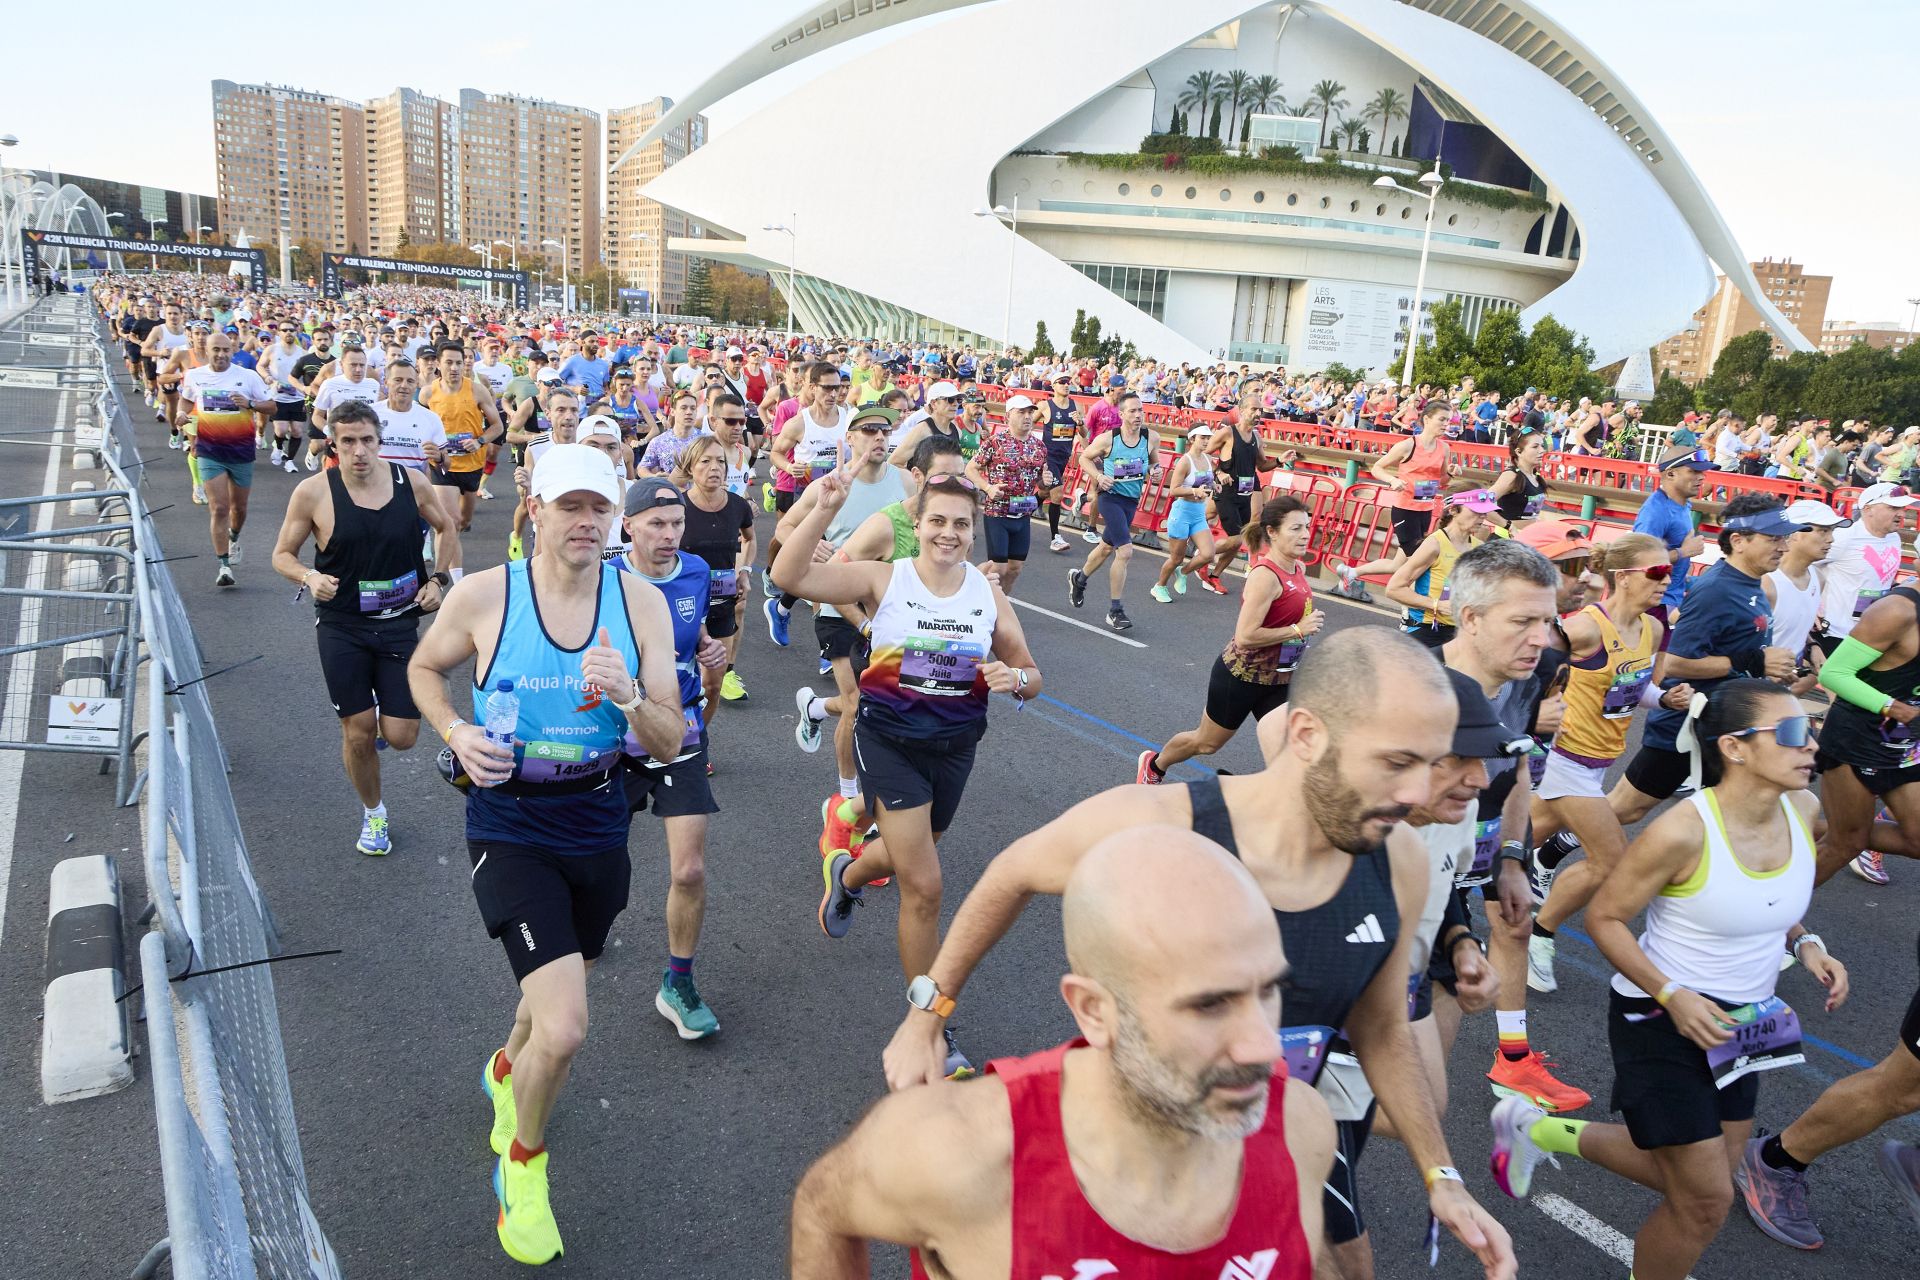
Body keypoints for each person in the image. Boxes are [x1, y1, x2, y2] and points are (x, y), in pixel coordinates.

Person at [880, 628, 1517, 1278]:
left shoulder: (1399, 863)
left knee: (1351, 1267)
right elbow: (1011, 872)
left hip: (1282, 1140)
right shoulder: (1164, 825)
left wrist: (1440, 1175)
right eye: (1395, 762)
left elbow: (1380, 1027)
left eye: (1429, 764)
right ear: (1306, 736)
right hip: (1139, 1158)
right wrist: (925, 1016)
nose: (1416, 793)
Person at [789, 826, 1332, 1279]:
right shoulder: (960, 1152)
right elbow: (822, 1211)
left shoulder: (1302, 1128)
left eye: (1268, 992)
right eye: (1211, 1005)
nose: (1264, 1045)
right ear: (1094, 1011)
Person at [407, 443, 684, 1265]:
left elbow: (669, 741)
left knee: (560, 979)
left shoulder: (640, 606)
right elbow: (424, 668)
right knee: (563, 1028)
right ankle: (523, 1168)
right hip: (509, 821)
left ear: (616, 520)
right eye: (571, 506)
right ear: (535, 509)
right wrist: (456, 730)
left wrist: (632, 695)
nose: (586, 522)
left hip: (600, 817)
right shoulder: (487, 594)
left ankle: (505, 1064)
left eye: (600, 508)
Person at [1491, 680, 1845, 1280]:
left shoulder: (1805, 812)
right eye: (1789, 733)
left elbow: (1765, 899)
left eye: (1810, 729)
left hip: (1744, 1025)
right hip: (1659, 1017)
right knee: (1705, 1200)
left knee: (1691, 1173)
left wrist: (1805, 942)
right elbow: (1606, 918)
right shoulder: (1683, 831)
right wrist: (1671, 995)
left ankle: (1533, 1128)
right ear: (1734, 747)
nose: (1809, 743)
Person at [774, 467, 1041, 1076]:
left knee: (899, 858)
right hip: (889, 742)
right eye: (938, 521)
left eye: (961, 524)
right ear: (915, 525)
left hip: (955, 747)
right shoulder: (884, 577)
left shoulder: (986, 593)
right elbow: (789, 576)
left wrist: (1015, 680)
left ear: (974, 533)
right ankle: (930, 1029)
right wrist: (821, 505)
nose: (948, 534)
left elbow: (1030, 672)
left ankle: (845, 873)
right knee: (926, 887)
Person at [270, 401, 459, 853]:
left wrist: (439, 579)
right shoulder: (313, 492)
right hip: (343, 625)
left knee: (402, 736)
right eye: (348, 441)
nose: (359, 451)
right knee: (357, 730)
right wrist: (309, 576)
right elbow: (281, 555)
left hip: (398, 624)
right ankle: (374, 813)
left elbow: (446, 528)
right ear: (333, 443)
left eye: (367, 440)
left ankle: (376, 722)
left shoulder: (410, 482)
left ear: (380, 441)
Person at [1526, 534, 1692, 1002]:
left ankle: (1439, 889)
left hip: (1599, 760)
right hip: (1562, 759)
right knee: (1609, 859)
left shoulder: (1652, 630)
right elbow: (1524, 668)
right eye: (1656, 572)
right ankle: (1539, 935)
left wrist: (1664, 698)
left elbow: (1632, 687)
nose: (1666, 580)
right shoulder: (1582, 628)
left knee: (1505, 839)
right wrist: (1533, 714)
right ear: (1622, 577)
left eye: (1669, 571)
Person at [611, 479, 731, 1041]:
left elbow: (694, 636)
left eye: (676, 523)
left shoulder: (696, 572)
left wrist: (710, 649)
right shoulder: (605, 578)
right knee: (600, 868)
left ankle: (677, 982)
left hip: (678, 729)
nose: (669, 535)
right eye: (656, 523)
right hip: (612, 736)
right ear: (628, 525)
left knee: (690, 868)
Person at [1136, 498, 1320, 782]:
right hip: (1242, 676)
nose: (1305, 534)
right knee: (1206, 743)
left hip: (1279, 679)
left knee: (1289, 749)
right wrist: (1298, 630)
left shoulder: (1298, 568)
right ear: (1272, 532)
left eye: (1307, 527)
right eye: (1295, 528)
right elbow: (1246, 636)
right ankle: (1155, 765)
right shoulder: (1265, 577)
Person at [785, 409, 909, 825]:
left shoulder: (905, 481)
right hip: (836, 602)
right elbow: (785, 529)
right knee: (857, 704)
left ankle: (817, 709)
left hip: (886, 606)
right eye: (870, 430)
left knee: (881, 704)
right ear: (850, 438)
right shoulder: (833, 483)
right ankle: (847, 800)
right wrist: (815, 544)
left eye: (885, 430)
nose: (878, 437)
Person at [1333, 400, 1458, 602]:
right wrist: (1393, 480)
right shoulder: (1408, 445)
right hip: (1404, 510)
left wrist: (1451, 474)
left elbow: (1441, 482)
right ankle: (1409, 606)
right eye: (1442, 419)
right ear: (1426, 419)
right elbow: (1377, 468)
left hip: (1425, 510)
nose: (1446, 425)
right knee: (1418, 561)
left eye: (1449, 421)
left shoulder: (1444, 448)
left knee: (1397, 564)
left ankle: (1351, 573)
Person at [179, 330, 276, 587]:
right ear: (206, 351)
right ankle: (224, 566)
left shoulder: (248, 376)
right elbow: (186, 401)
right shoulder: (194, 375)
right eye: (216, 350)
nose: (221, 355)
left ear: (232, 351)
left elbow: (272, 406)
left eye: (226, 350)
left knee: (238, 509)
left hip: (241, 451)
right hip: (210, 451)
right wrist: (181, 415)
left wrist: (250, 404)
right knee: (219, 508)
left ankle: (234, 537)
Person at [671, 435, 755, 727]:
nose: (715, 467)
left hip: (722, 604)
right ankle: (672, 740)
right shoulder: (677, 507)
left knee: (713, 686)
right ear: (691, 467)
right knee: (674, 684)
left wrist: (744, 571)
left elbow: (750, 539)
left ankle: (698, 739)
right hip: (682, 606)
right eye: (705, 461)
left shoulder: (737, 505)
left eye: (720, 460)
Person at [1067, 390, 1153, 631]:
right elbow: (1084, 458)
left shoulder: (1150, 437)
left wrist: (1154, 470)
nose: (1138, 415)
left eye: (1140, 410)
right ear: (1122, 413)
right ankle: (1115, 610)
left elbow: (1153, 462)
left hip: (1131, 500)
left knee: (1105, 547)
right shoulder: (1109, 439)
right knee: (1124, 551)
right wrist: (1098, 476)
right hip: (1110, 498)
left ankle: (1079, 579)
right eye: (1133, 411)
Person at [1385, 484, 1495, 649]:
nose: (1482, 517)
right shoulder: (1435, 544)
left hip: (1461, 632)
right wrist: (1437, 605)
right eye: (1476, 512)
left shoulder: (1479, 548)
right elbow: (1394, 588)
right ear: (1453, 510)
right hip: (1428, 630)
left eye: (1484, 513)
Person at [966, 394, 1049, 596]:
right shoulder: (995, 442)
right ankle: (975, 599)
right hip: (998, 513)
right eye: (1021, 412)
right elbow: (970, 469)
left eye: (1030, 412)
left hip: (1022, 515)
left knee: (1014, 569)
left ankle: (1002, 605)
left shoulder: (1039, 447)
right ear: (1008, 416)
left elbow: (1041, 484)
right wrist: (988, 488)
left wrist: (1044, 483)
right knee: (998, 568)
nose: (1027, 417)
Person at [425, 343, 505, 534]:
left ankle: (459, 533)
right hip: (442, 464)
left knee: (463, 521)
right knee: (448, 523)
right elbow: (420, 424)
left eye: (458, 363)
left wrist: (479, 441)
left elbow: (498, 426)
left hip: (472, 463)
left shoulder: (477, 390)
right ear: (438, 363)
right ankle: (448, 565)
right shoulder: (427, 393)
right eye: (449, 362)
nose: (454, 368)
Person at [1633, 446, 1714, 629]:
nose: (1701, 477)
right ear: (1670, 474)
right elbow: (1638, 561)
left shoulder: (1684, 504)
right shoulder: (1656, 510)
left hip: (1671, 600)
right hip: (1653, 605)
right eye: (1693, 471)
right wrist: (1684, 552)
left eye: (1702, 472)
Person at [1150, 425, 1220, 603]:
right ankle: (1159, 586)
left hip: (1197, 514)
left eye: (1207, 438)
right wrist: (1195, 492)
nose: (1206, 441)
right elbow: (1173, 490)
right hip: (1181, 514)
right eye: (1202, 438)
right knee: (1176, 558)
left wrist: (1215, 486)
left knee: (1208, 554)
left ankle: (1184, 572)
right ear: (1191, 439)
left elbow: (1207, 481)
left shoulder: (1208, 458)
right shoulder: (1184, 461)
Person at [1038, 373, 1084, 551]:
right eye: (1062, 382)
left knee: (1044, 493)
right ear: (1053, 386)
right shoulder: (1045, 406)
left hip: (1064, 456)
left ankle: (1022, 510)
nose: (1066, 385)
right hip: (1048, 456)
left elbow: (1084, 433)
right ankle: (1055, 538)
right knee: (1057, 494)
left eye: (1068, 382)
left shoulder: (1076, 406)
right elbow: (1027, 422)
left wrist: (1080, 423)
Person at [1490, 428, 1550, 529]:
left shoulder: (1536, 476)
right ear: (1518, 452)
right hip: (1508, 541)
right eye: (1535, 447)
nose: (1542, 450)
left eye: (1542, 446)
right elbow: (1480, 502)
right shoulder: (1511, 476)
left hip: (1527, 540)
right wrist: (1508, 526)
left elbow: (1529, 514)